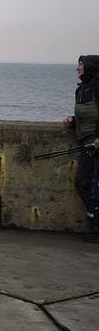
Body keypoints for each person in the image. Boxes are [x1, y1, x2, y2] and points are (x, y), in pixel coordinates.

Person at [62, 54, 99, 242]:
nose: (77, 69)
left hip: (95, 141)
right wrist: (73, 121)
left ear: (91, 67)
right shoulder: (82, 89)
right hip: (85, 139)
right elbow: (88, 116)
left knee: (88, 183)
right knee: (87, 183)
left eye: (81, 65)